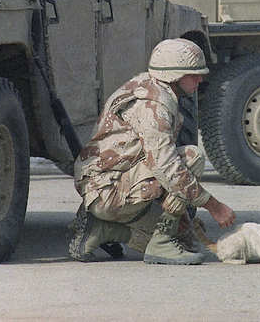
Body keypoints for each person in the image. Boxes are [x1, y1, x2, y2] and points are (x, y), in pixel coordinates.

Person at [67, 38, 235, 264]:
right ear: (173, 75)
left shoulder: (148, 86)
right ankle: (146, 240)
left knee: (186, 239)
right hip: (109, 191)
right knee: (191, 158)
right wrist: (214, 206)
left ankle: (99, 228)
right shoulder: (153, 106)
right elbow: (168, 169)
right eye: (193, 74)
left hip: (107, 184)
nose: (200, 79)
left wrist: (184, 216)